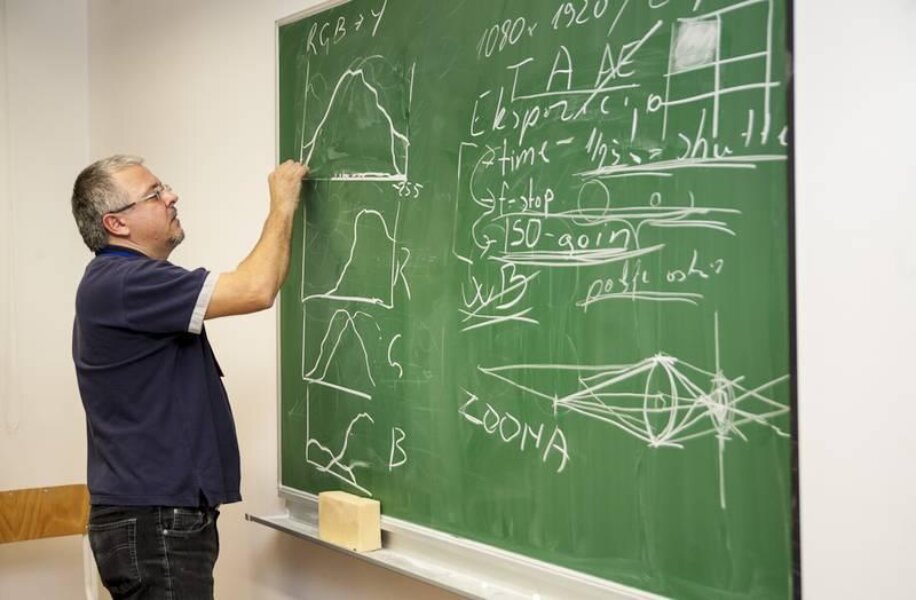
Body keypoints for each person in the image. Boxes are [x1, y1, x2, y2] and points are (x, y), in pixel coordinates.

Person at [70, 155, 308, 599]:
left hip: (153, 517)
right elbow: (256, 289)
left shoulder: (119, 282)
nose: (171, 196)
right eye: (154, 194)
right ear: (116, 223)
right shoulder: (127, 282)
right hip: (154, 519)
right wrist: (282, 204)